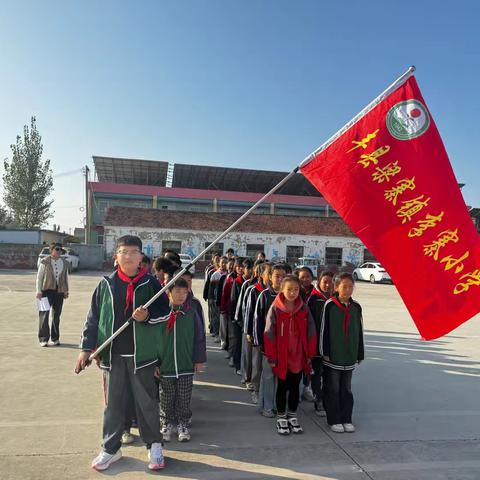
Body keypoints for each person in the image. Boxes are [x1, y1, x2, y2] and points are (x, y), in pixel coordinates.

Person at [74, 235, 171, 471]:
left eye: (133, 252)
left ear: (141, 258)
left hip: (143, 356)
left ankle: (154, 446)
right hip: (113, 355)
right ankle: (111, 448)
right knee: (113, 405)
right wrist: (86, 349)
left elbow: (166, 313)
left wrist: (146, 316)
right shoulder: (106, 285)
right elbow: (93, 319)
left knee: (147, 403)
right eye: (123, 252)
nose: (128, 256)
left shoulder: (151, 285)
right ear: (116, 256)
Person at [264, 275, 317, 435]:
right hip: (281, 356)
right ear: (282, 289)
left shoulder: (303, 308)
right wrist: (272, 357)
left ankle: (292, 414)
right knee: (282, 386)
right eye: (289, 289)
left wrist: (309, 354)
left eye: (295, 289)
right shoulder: (276, 308)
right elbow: (269, 333)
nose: (293, 293)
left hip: (298, 356)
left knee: (295, 386)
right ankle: (281, 415)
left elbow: (311, 331)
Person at [157, 278, 206, 443]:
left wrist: (199, 359)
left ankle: (183, 424)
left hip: (186, 364)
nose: (181, 296)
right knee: (166, 396)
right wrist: (155, 362)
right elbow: (154, 340)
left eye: (184, 292)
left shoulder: (191, 312)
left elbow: (199, 337)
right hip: (166, 365)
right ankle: (166, 423)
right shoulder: (161, 313)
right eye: (177, 291)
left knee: (184, 396)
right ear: (168, 293)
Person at [320, 273, 364, 434]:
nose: (347, 290)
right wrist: (324, 351)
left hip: (349, 356)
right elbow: (324, 330)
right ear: (336, 287)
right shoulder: (330, 305)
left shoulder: (356, 307)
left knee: (346, 389)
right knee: (333, 388)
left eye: (350, 286)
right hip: (333, 356)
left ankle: (346, 418)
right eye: (344, 286)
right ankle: (334, 419)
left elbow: (359, 332)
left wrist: (360, 353)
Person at [253, 263, 287, 417]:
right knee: (267, 376)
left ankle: (275, 404)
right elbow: (257, 320)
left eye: (283, 276)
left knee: (281, 377)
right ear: (270, 277)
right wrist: (258, 341)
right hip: (268, 344)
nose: (280, 279)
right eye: (277, 276)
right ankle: (266, 406)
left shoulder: (290, 296)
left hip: (285, 345)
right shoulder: (265, 295)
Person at [243, 262, 271, 403]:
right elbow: (249, 313)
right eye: (269, 273)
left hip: (271, 336)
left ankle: (267, 393)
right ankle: (255, 388)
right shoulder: (255, 290)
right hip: (257, 333)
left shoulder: (278, 293)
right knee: (256, 363)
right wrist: (249, 332)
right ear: (262, 275)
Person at [308, 270, 334, 416]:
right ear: (319, 282)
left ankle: (327, 400)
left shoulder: (335, 299)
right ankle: (318, 400)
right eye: (325, 281)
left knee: (329, 375)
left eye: (331, 282)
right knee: (317, 374)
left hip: (331, 346)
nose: (328, 285)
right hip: (317, 346)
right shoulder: (313, 300)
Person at [36, 242, 70, 347]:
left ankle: (55, 338)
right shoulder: (44, 262)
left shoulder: (64, 262)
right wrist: (38, 291)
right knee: (44, 314)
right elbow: (39, 277)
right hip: (46, 291)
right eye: (57, 249)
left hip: (59, 292)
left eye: (60, 250)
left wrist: (66, 290)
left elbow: (66, 278)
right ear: (51, 250)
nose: (59, 251)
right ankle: (43, 338)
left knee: (56, 315)